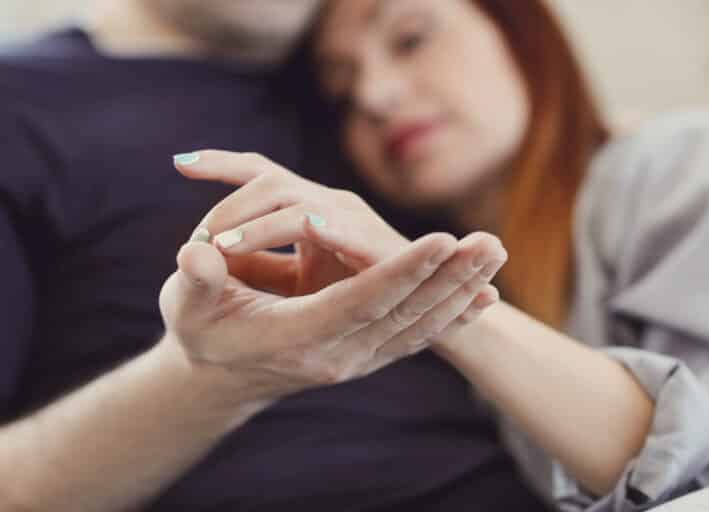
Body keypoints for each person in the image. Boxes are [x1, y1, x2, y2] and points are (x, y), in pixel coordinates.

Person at [175, 0, 709, 510]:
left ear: (514, 25)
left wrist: (433, 296)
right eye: (342, 94)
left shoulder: (681, 163)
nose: (376, 96)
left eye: (411, 39)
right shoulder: (448, 354)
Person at [0, 1, 532, 511]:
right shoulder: (20, 103)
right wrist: (209, 381)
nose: (376, 94)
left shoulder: (368, 84)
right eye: (346, 86)